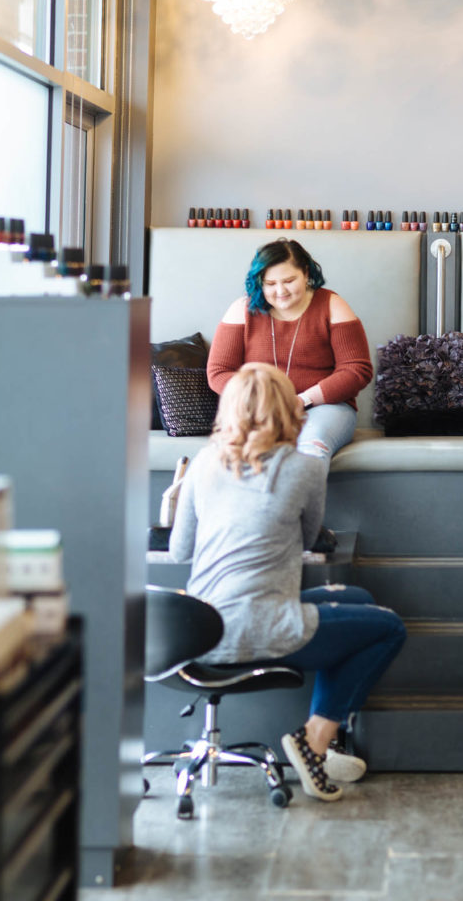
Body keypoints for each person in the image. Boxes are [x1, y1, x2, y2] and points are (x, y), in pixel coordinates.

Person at [168, 363, 407, 802]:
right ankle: (313, 742)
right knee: (389, 627)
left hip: (197, 629)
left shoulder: (203, 462)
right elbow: (309, 538)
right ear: (288, 410)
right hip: (254, 629)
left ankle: (325, 743)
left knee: (358, 598)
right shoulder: (304, 469)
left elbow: (180, 551)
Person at [207, 238, 373, 470]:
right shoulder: (241, 310)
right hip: (259, 408)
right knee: (246, 453)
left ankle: (300, 506)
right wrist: (262, 401)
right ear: (259, 283)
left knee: (311, 450)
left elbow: (357, 370)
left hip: (325, 408)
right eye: (270, 283)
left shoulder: (332, 304)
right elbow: (218, 372)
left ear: (306, 273)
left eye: (289, 281)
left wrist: (302, 400)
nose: (280, 291)